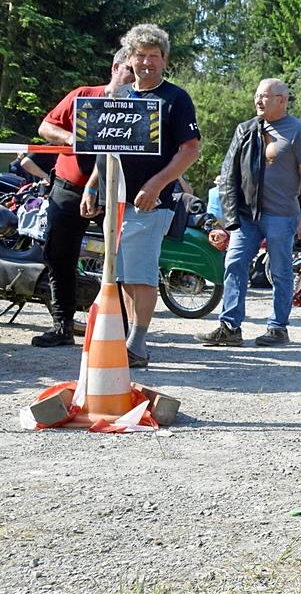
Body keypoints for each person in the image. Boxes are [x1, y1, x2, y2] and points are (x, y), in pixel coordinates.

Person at [82, 24, 200, 368]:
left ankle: (138, 343)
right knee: (121, 274)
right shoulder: (119, 96)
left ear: (164, 60)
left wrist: (157, 185)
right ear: (130, 59)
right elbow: (104, 147)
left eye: (153, 56)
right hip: (114, 200)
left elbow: (190, 150)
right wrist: (92, 185)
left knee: (140, 274)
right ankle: (128, 339)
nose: (146, 62)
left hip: (150, 202)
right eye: (140, 56)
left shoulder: (176, 98)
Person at [196, 79, 301, 348]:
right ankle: (229, 327)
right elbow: (228, 173)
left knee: (281, 271)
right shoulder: (246, 129)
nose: (258, 101)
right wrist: (228, 217)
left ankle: (277, 328)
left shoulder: (298, 131)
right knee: (234, 264)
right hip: (247, 215)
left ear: (282, 100)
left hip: (282, 215)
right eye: (257, 96)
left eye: (265, 96)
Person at [29, 48, 135, 347]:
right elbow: (46, 127)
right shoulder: (84, 95)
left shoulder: (139, 108)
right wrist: (71, 138)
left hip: (112, 191)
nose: (133, 76)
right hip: (66, 188)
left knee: (120, 260)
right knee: (58, 256)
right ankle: (62, 326)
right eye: (129, 69)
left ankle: (121, 335)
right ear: (115, 67)